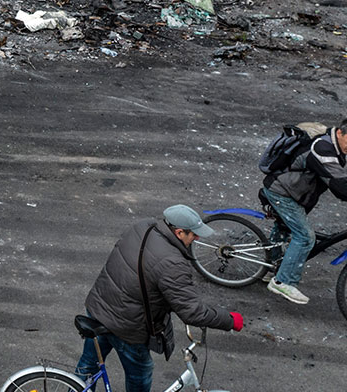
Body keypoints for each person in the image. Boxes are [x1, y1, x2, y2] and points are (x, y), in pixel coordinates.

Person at [76, 205, 243, 392]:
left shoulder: (143, 226)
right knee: (140, 373)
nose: (197, 238)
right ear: (179, 232)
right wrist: (230, 320)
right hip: (127, 325)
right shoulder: (172, 262)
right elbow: (192, 312)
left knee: (88, 364)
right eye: (194, 234)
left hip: (100, 306)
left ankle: (73, 388)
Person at [263, 120, 347, 304]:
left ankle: (273, 267)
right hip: (282, 192)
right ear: (340, 133)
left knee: (286, 228)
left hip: (297, 192)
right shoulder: (324, 149)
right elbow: (340, 187)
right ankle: (282, 281)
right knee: (305, 237)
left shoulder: (337, 145)